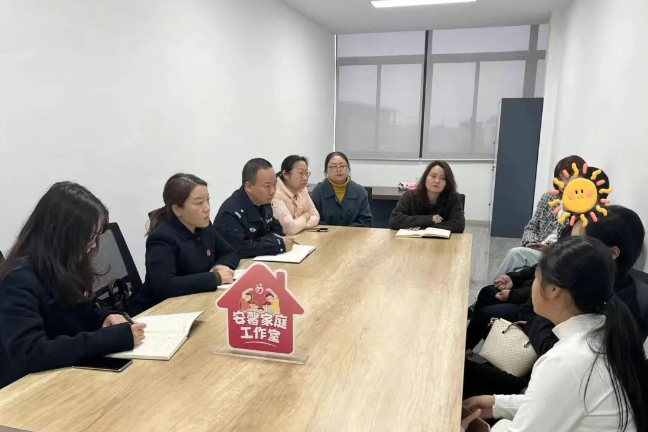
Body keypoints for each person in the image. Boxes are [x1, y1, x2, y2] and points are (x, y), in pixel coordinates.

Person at [463, 205, 648, 400]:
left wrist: (532, 318)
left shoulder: (586, 333)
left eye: (579, 243)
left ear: (612, 253)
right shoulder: (589, 287)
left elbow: (548, 385)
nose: (568, 249)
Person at [0, 182, 145, 389]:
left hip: (69, 373)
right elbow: (30, 354)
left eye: (96, 236)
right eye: (88, 237)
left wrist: (103, 318)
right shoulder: (18, 279)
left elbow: (82, 309)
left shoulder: (65, 263)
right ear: (57, 231)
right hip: (30, 389)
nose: (93, 245)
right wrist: (108, 339)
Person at [132, 174, 240, 313]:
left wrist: (221, 266)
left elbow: (230, 251)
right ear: (178, 209)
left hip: (195, 303)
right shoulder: (162, 238)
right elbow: (164, 285)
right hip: (159, 312)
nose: (207, 208)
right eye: (199, 203)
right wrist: (215, 278)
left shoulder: (204, 227)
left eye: (208, 200)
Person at [492, 155, 586, 278]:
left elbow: (573, 246)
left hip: (556, 256)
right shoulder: (549, 198)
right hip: (537, 248)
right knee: (516, 258)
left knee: (515, 254)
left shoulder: (582, 209)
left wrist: (549, 248)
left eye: (568, 179)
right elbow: (532, 226)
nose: (563, 183)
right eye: (560, 179)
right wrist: (531, 242)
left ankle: (494, 286)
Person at [215, 158, 295, 258]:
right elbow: (240, 249)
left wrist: (260, 243)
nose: (272, 191)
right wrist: (277, 245)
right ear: (249, 187)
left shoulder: (264, 202)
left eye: (275, 184)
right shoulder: (230, 213)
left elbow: (276, 229)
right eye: (267, 186)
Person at [389, 160, 465, 233]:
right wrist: (430, 219)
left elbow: (459, 225)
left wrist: (423, 226)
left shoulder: (453, 199)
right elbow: (395, 220)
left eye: (443, 178)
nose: (437, 181)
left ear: (447, 182)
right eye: (433, 176)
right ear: (425, 177)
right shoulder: (409, 196)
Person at [311, 152, 372, 227]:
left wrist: (345, 232)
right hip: (326, 234)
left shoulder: (359, 191)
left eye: (342, 166)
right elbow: (314, 219)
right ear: (326, 170)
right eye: (333, 166)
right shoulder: (318, 191)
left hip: (354, 233)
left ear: (348, 169)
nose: (338, 170)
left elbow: (365, 220)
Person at [272, 155, 320, 235]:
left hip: (301, 236)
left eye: (307, 173)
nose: (305, 178)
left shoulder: (303, 190)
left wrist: (300, 226)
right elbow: (290, 228)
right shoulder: (275, 194)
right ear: (285, 174)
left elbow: (316, 216)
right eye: (300, 173)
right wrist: (306, 215)